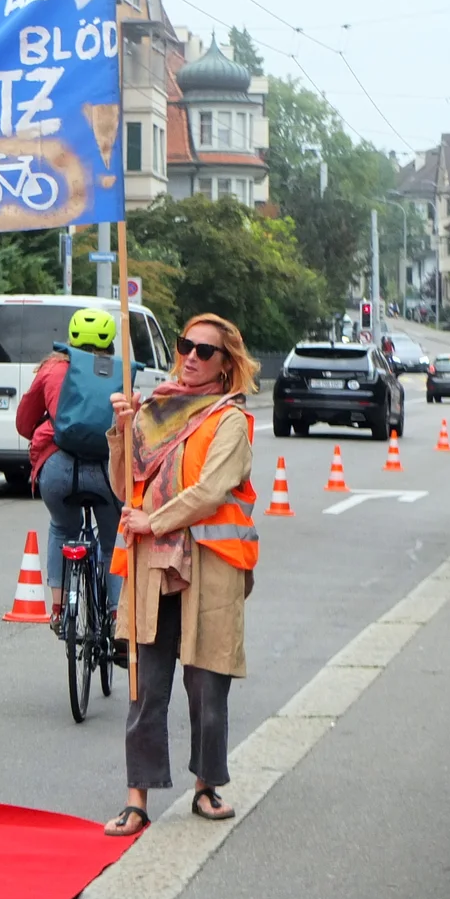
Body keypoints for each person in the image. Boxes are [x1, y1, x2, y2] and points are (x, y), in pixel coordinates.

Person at [101, 313, 259, 839]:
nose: (191, 356)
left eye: (205, 351)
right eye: (185, 345)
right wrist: (121, 432)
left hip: (209, 568)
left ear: (225, 365)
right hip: (154, 566)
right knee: (147, 685)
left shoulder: (229, 420)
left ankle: (207, 785)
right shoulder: (152, 410)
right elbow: (126, 485)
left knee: (205, 683)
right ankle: (136, 798)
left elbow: (213, 490)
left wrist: (155, 520)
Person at [14, 308, 125, 632]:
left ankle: (60, 609)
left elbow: (23, 423)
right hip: (107, 471)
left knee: (63, 529)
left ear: (71, 339)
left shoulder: (52, 369)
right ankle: (118, 616)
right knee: (110, 541)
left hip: (58, 468)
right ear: (109, 344)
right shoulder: (120, 373)